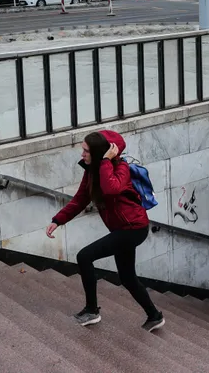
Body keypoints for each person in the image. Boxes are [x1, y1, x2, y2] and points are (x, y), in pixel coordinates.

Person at [46, 131, 165, 332]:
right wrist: (58, 220)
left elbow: (111, 189)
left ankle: (92, 311)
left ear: (100, 152)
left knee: (85, 257)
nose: (82, 154)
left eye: (86, 151)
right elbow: (79, 200)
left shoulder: (121, 168)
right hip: (121, 229)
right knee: (127, 277)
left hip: (133, 228)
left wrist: (106, 162)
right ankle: (154, 316)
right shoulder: (91, 172)